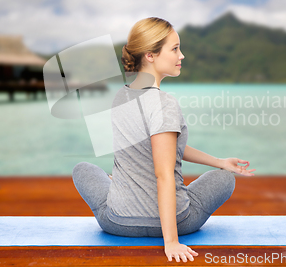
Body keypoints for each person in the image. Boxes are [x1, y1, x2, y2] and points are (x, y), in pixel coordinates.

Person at [72, 17, 255, 263]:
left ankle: (121, 184)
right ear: (150, 55)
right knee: (223, 180)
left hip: (118, 222)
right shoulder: (165, 104)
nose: (182, 56)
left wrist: (219, 160)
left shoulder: (121, 97)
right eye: (175, 48)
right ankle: (140, 198)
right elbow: (164, 174)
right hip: (179, 223)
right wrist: (171, 241)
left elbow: (166, 148)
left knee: (82, 169)